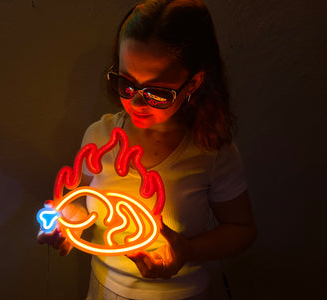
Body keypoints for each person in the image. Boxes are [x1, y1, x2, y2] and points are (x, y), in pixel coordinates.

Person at [37, 0, 257, 299]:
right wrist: (67, 222)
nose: (136, 103)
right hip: (104, 291)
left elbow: (241, 229)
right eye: (127, 84)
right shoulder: (100, 136)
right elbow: (80, 199)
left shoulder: (211, 149)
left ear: (192, 83)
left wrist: (188, 250)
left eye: (157, 92)